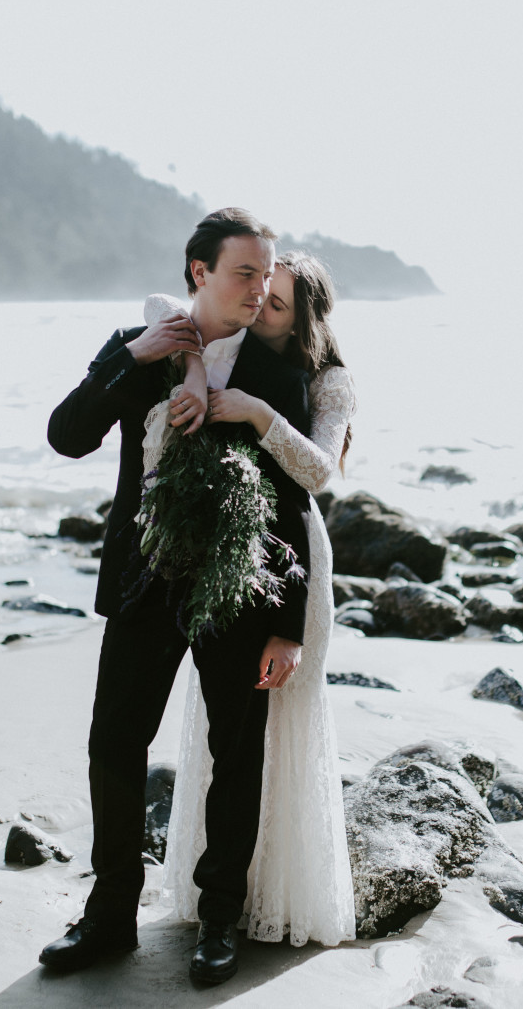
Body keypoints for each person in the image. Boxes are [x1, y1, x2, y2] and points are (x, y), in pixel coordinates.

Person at [41, 209, 315, 985]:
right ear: (199, 271)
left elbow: (296, 500)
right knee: (115, 743)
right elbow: (67, 435)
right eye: (244, 273)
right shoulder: (140, 345)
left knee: (238, 753)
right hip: (142, 581)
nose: (261, 291)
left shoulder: (274, 371)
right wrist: (133, 356)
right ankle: (109, 916)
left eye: (267, 276)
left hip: (241, 595)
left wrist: (287, 627)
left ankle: (219, 919)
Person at [141, 250, 357, 949]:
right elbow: (157, 308)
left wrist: (259, 413)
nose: (261, 305)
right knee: (228, 737)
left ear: (304, 320)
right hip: (216, 562)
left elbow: (317, 473)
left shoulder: (327, 381)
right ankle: (224, 901)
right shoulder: (224, 343)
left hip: (289, 568)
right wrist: (202, 372)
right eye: (261, 290)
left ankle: (254, 902)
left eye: (279, 303)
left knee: (276, 733)